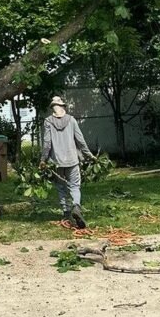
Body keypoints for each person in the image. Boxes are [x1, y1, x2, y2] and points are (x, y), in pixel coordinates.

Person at [41, 95, 93, 228]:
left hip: (56, 162)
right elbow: (80, 140)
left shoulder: (48, 121)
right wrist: (89, 155)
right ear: (63, 107)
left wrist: (43, 160)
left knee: (60, 187)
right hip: (72, 160)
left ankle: (66, 212)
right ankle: (76, 206)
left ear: (52, 108)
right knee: (75, 186)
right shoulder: (72, 120)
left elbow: (47, 143)